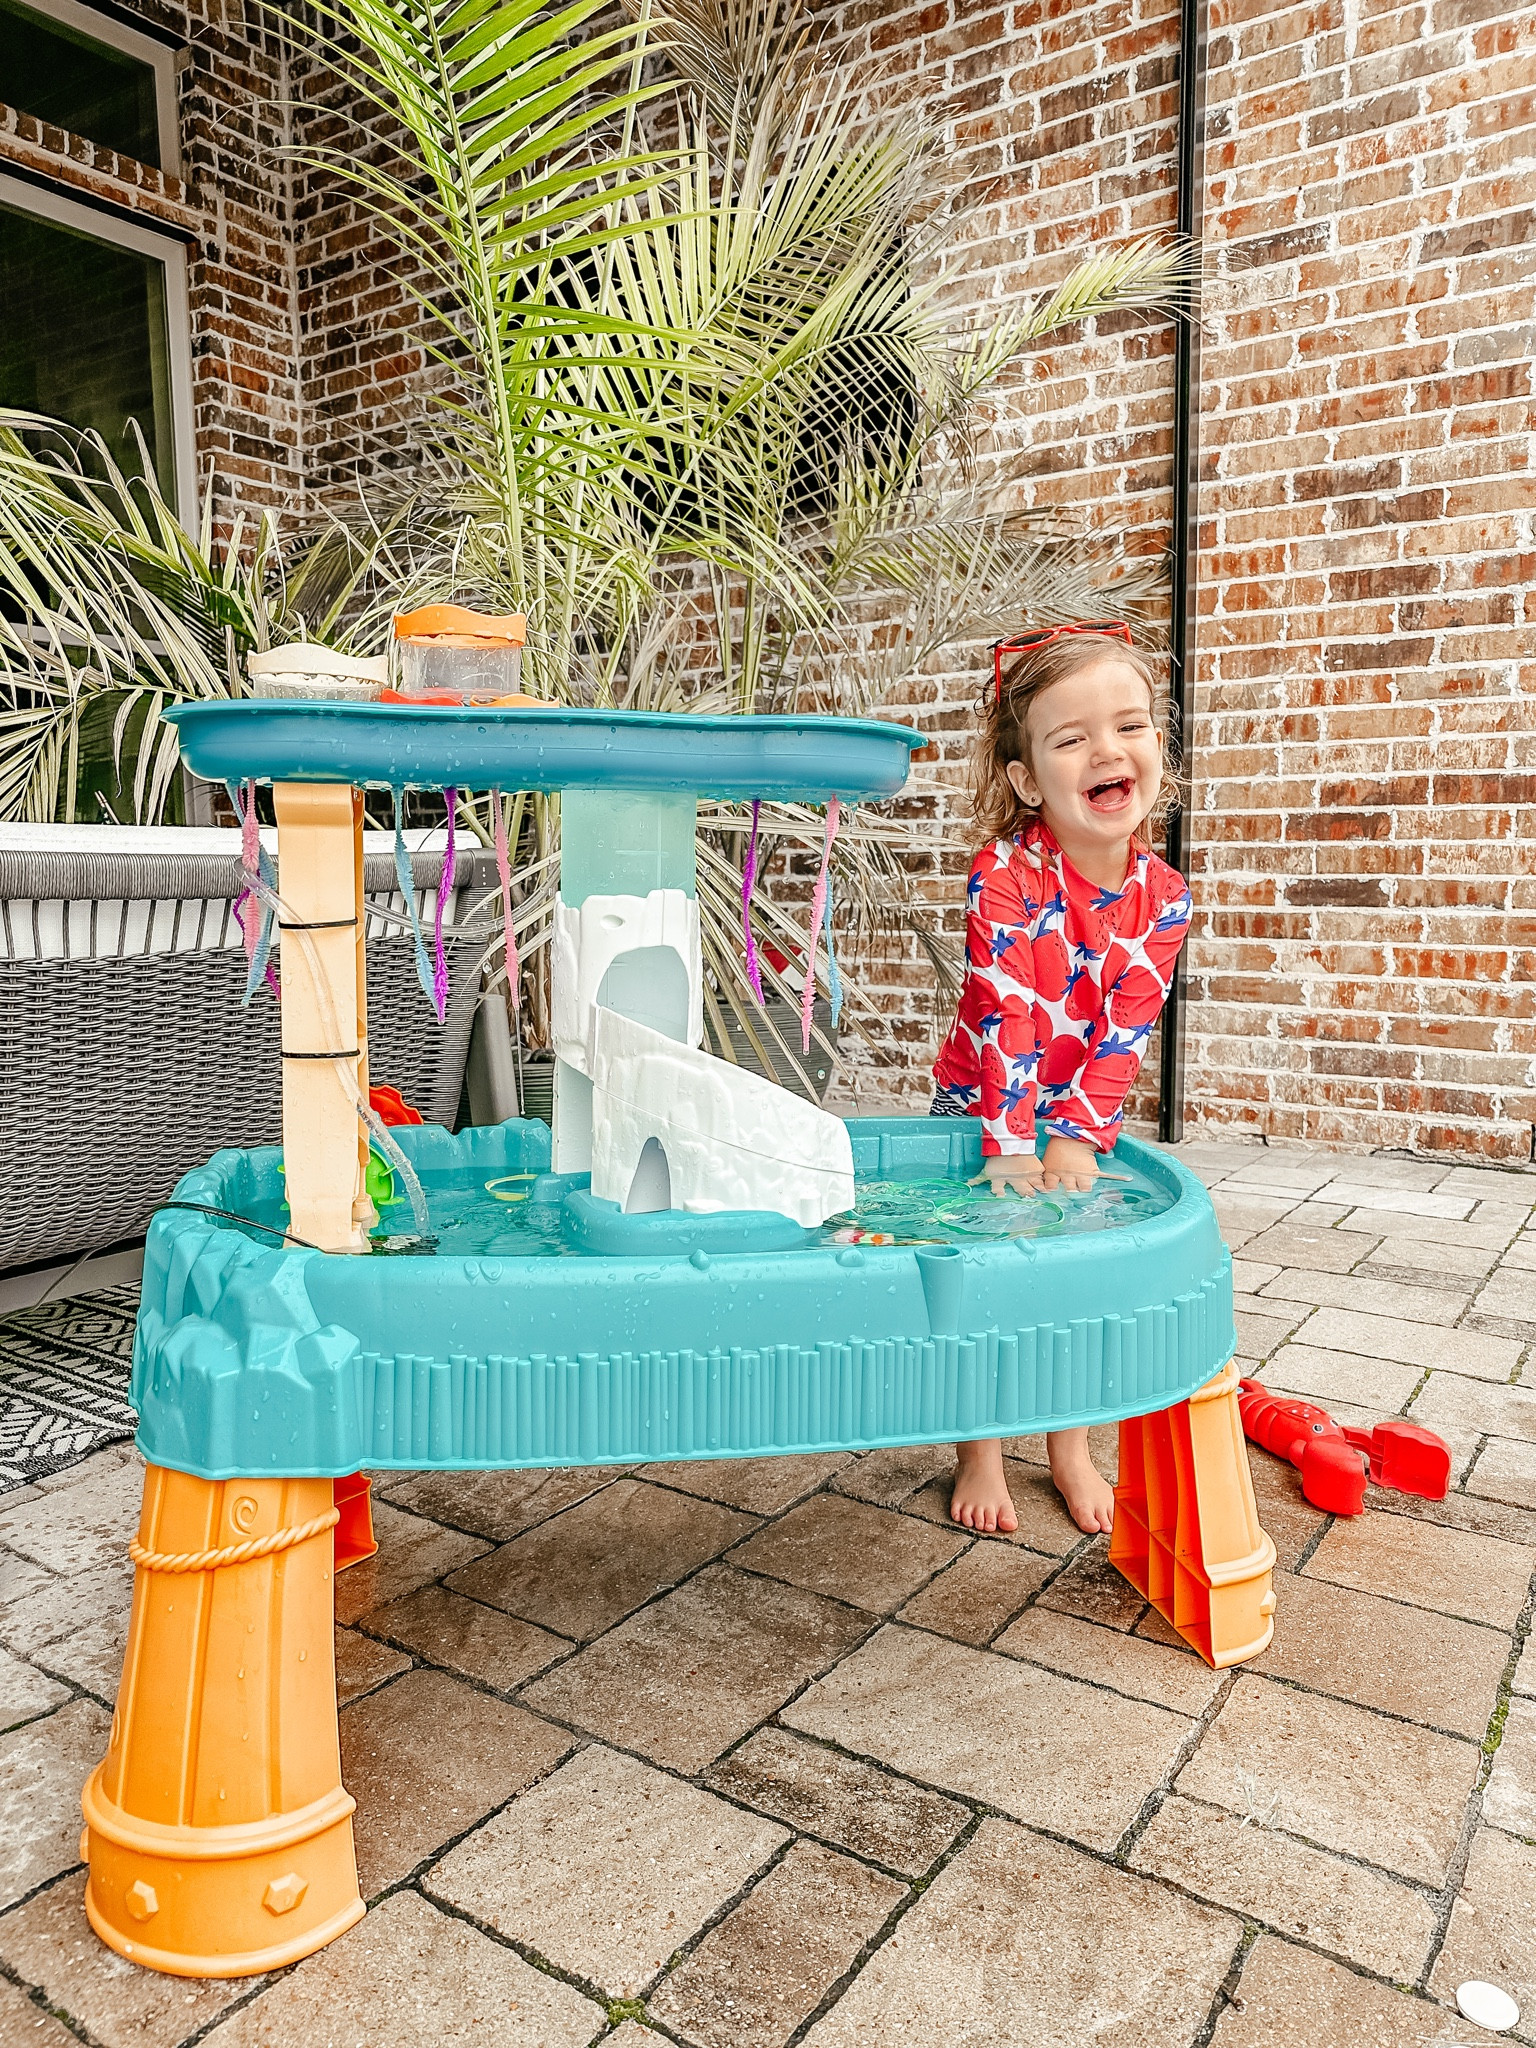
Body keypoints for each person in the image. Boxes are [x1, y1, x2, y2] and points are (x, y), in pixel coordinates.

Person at [930, 622, 1192, 1536]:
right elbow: (1008, 1014)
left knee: (1073, 1277)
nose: (1106, 751)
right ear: (1028, 779)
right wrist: (1008, 1144)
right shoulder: (1002, 874)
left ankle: (1070, 1448)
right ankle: (980, 1450)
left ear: (1157, 747)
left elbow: (1124, 1030)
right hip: (982, 1100)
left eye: (1128, 727)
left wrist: (1076, 1134)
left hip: (1076, 1114)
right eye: (1071, 738)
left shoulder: (1164, 897)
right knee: (983, 1270)